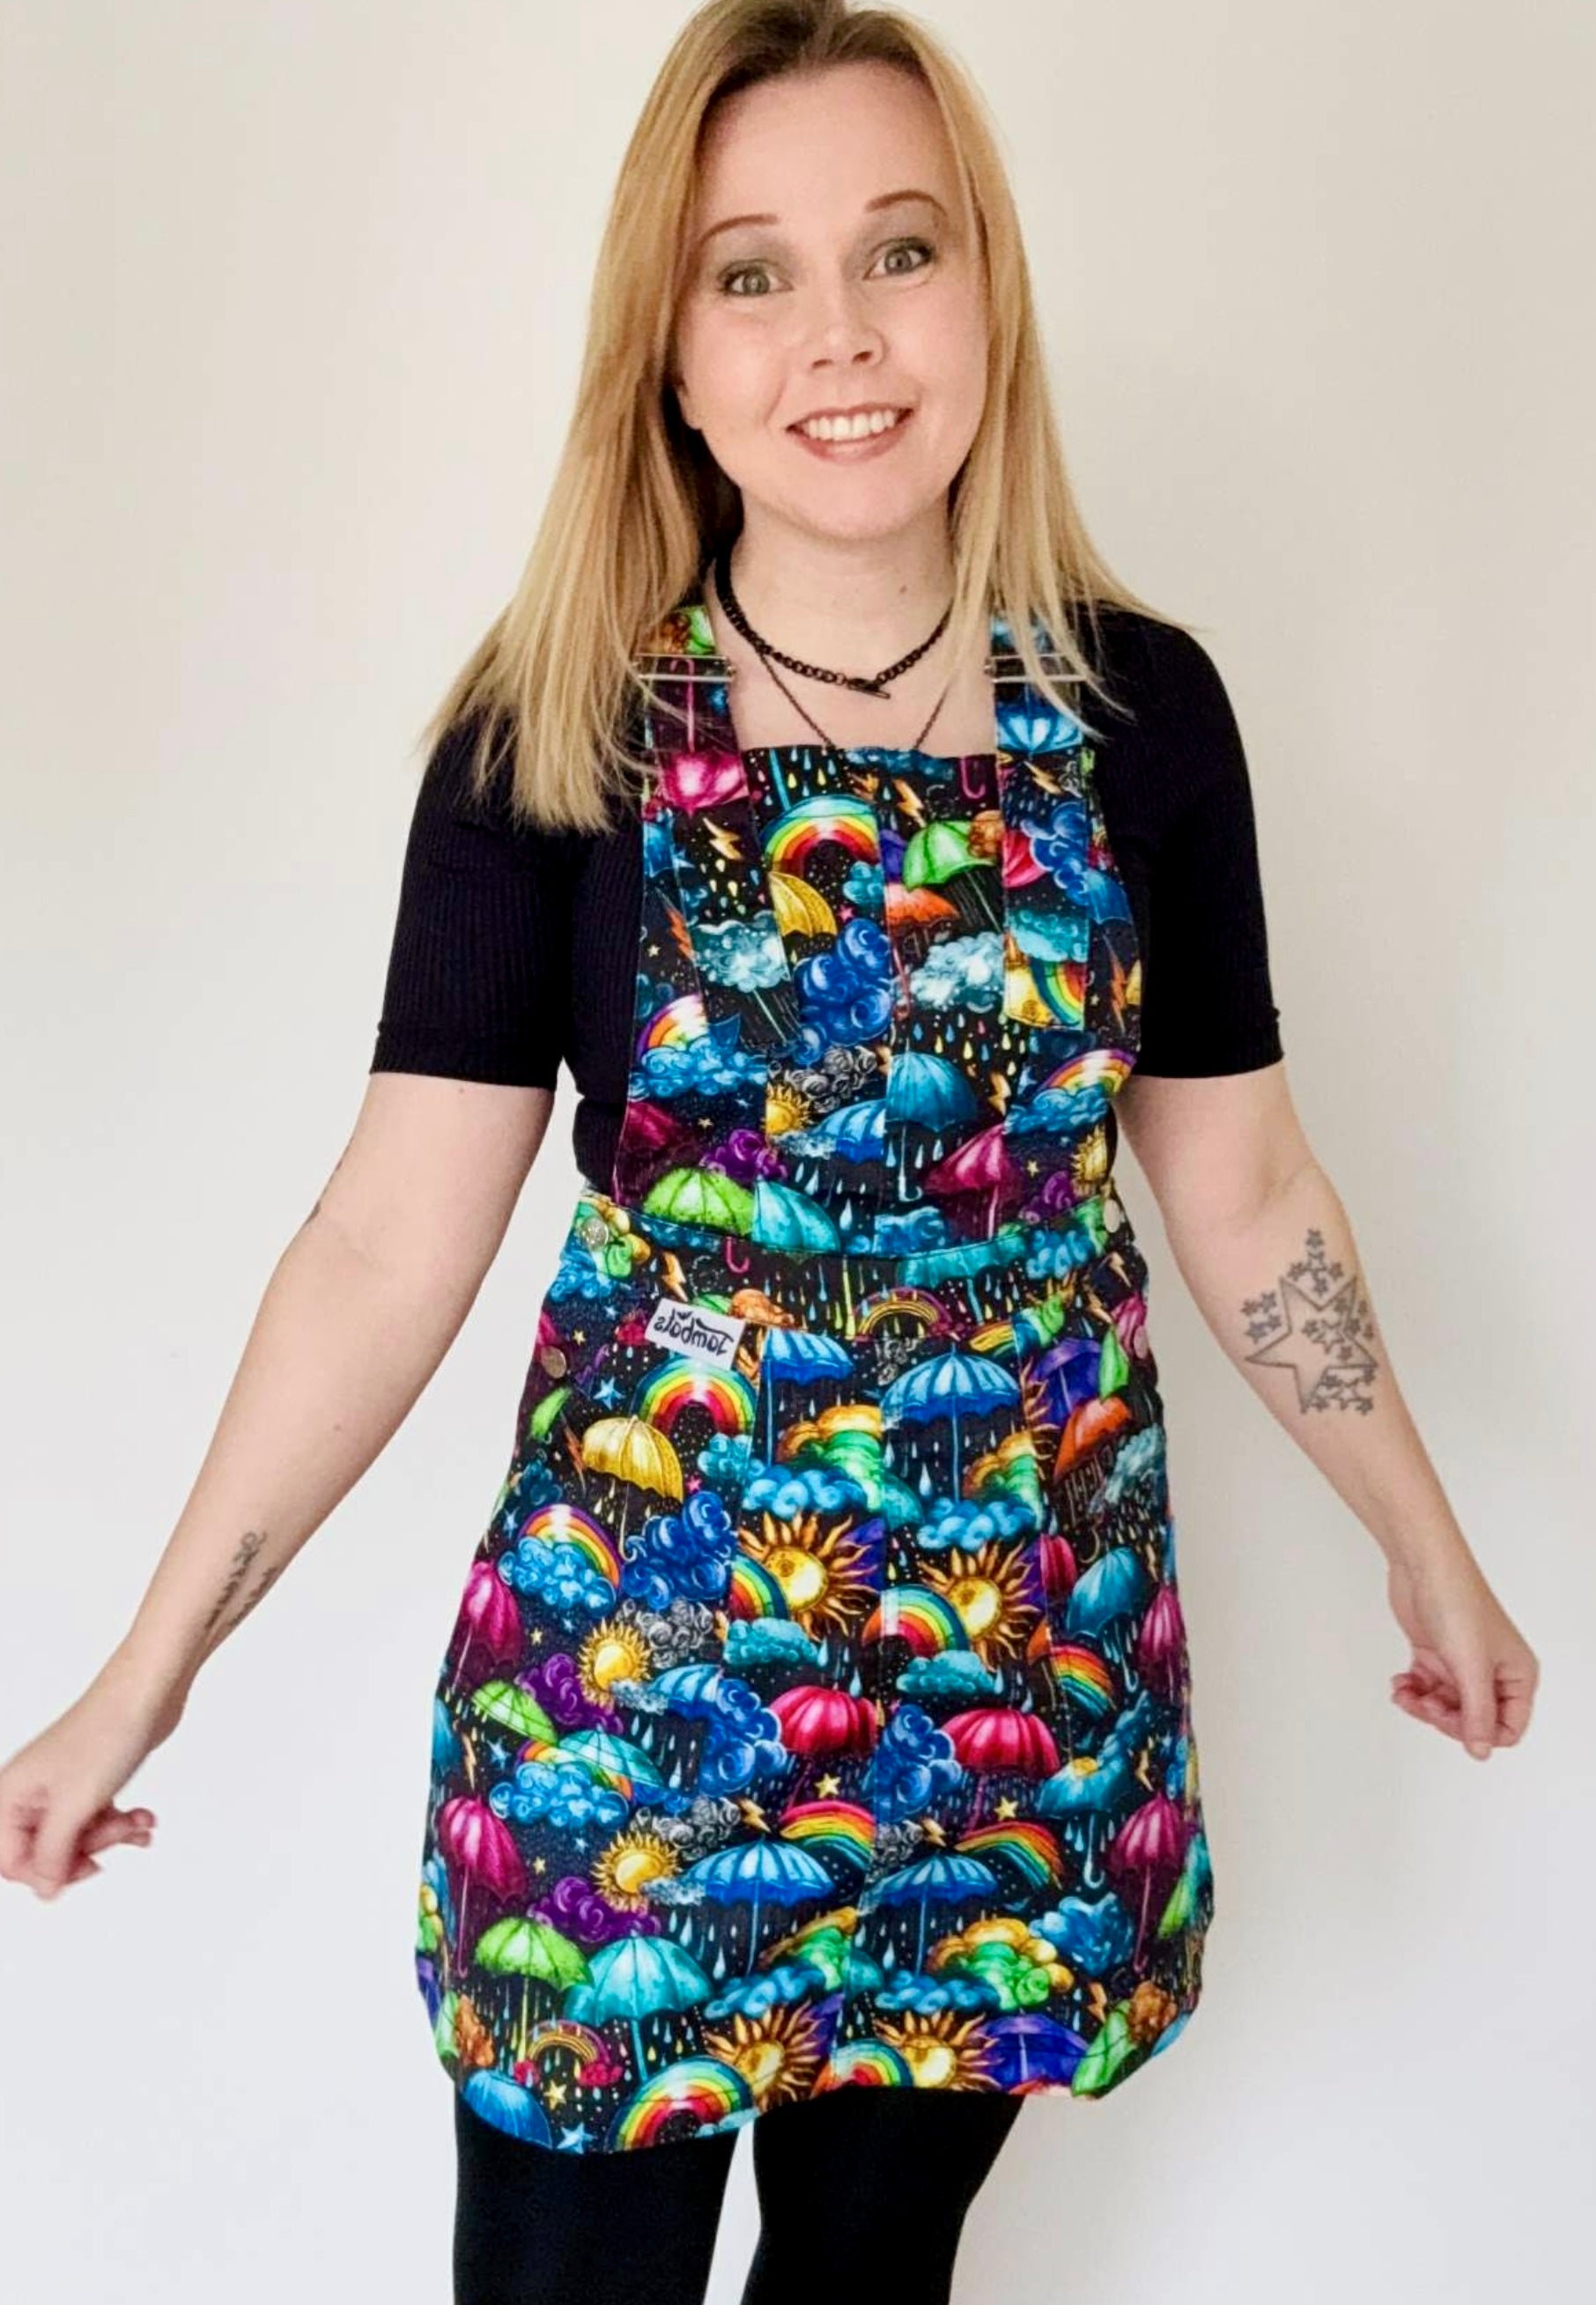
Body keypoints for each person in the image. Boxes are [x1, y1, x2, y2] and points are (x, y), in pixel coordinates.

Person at [0, 4, 1539, 2301]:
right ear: (673, 355)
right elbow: (381, 1248)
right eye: (753, 273)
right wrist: (150, 1668)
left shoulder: (1139, 720)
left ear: (987, 292)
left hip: (1010, 1720)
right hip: (630, 1729)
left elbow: (1245, 1192)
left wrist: (1424, 1539)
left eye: (899, 250)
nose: (840, 335)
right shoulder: (555, 740)